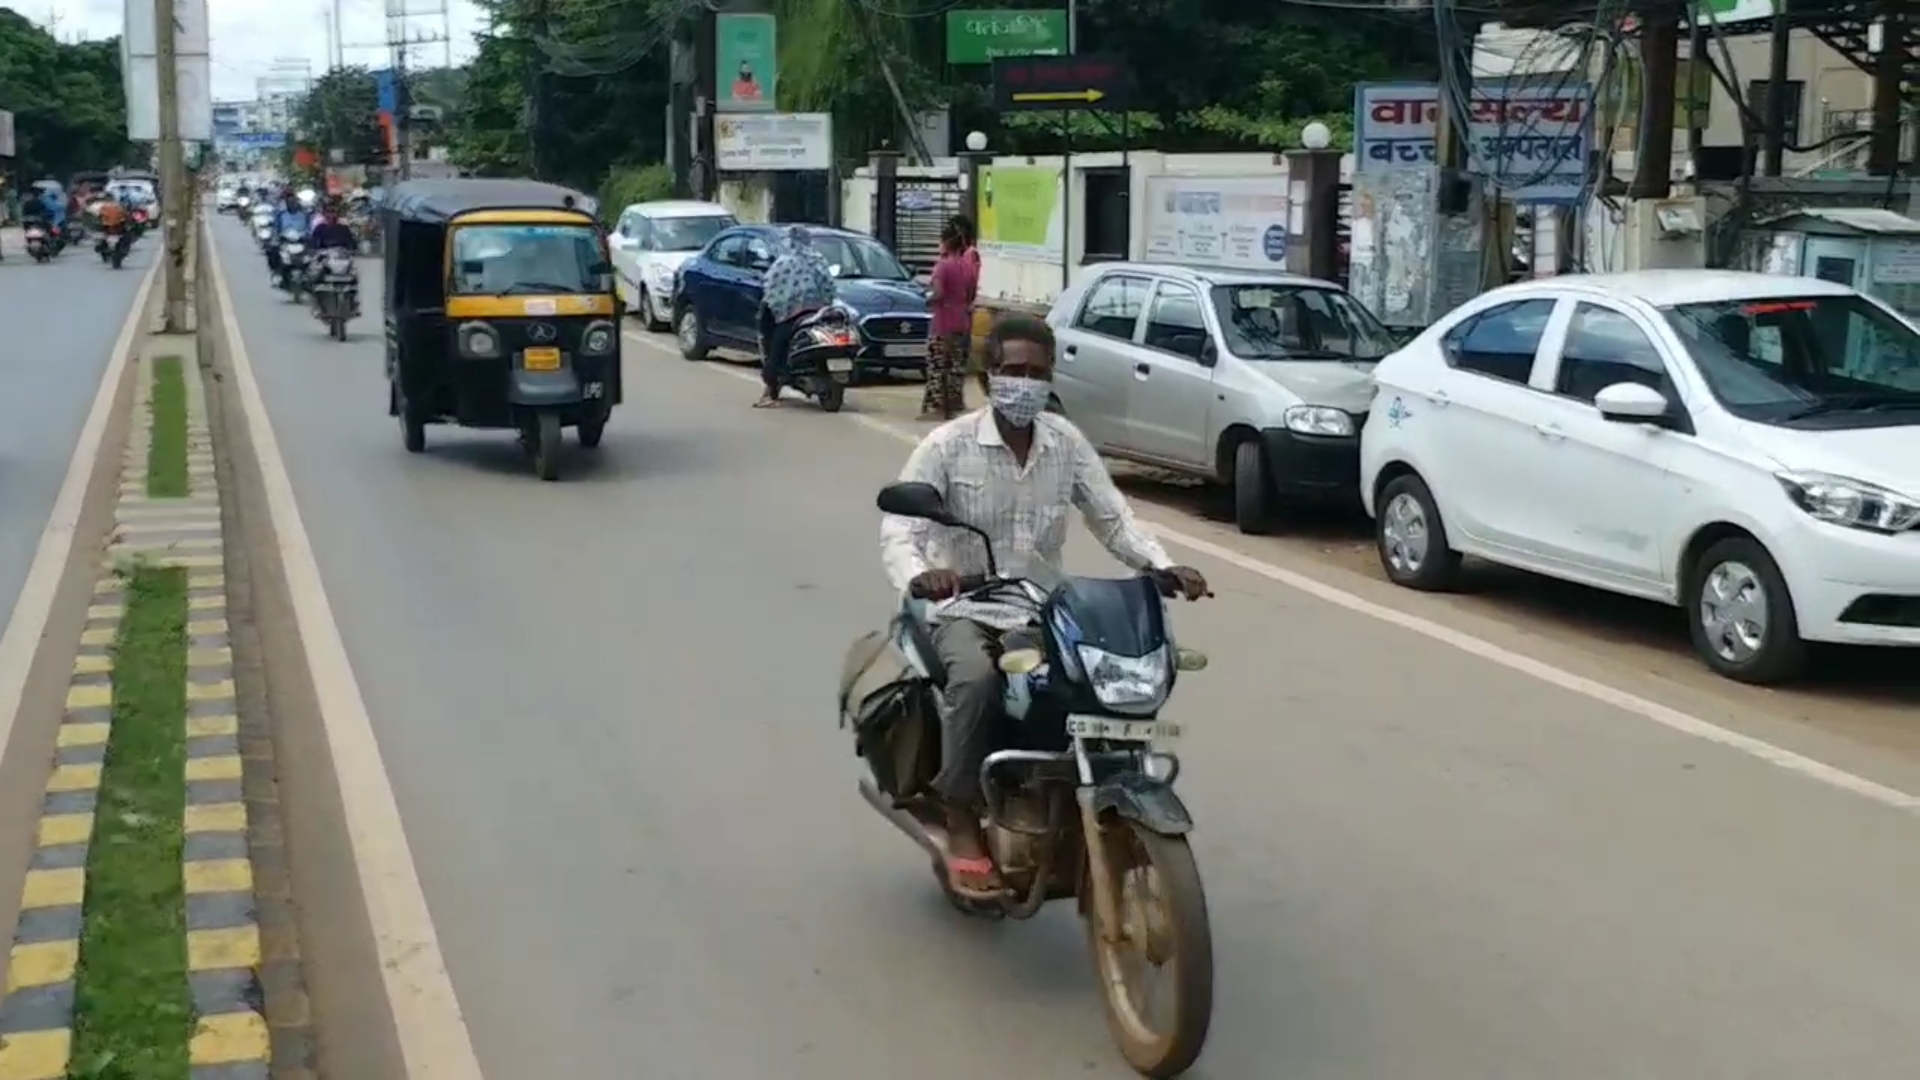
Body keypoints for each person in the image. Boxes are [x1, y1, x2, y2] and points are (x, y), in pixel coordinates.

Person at [878, 314, 1212, 899]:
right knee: (979, 680)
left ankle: (1065, 793)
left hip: (1038, 605)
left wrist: (1159, 566)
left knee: (1087, 682)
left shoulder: (1065, 442)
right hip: (964, 606)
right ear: (988, 379)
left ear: (1050, 377)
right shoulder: (949, 445)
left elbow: (1112, 516)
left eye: (1036, 372)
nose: (1024, 383)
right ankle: (960, 813)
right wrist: (921, 576)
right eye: (1012, 371)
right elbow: (899, 529)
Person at [755, 226, 836, 408]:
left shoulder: (785, 262)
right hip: (820, 313)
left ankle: (771, 388)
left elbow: (771, 288)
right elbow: (829, 286)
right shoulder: (818, 260)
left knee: (777, 348)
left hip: (791, 315)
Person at [921, 219, 979, 421]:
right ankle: (954, 404)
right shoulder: (967, 266)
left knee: (937, 366)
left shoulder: (942, 267)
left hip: (942, 323)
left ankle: (938, 407)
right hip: (962, 322)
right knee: (956, 366)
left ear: (945, 243)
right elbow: (971, 294)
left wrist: (927, 300)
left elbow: (938, 292)